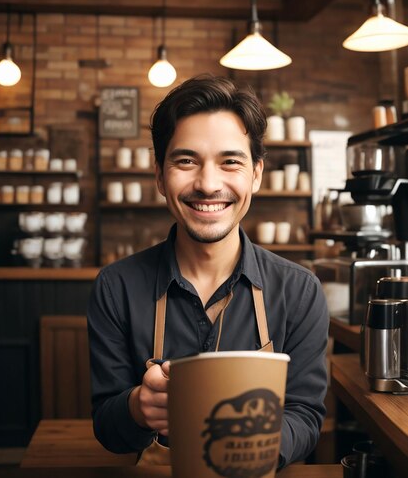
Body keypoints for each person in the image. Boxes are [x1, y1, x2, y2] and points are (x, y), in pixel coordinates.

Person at [87, 74, 329, 469]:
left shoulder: (300, 291)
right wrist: (136, 407)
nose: (208, 184)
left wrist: (245, 448)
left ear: (256, 174)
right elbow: (106, 425)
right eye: (186, 161)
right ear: (159, 176)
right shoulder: (116, 287)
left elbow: (305, 415)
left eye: (230, 161)